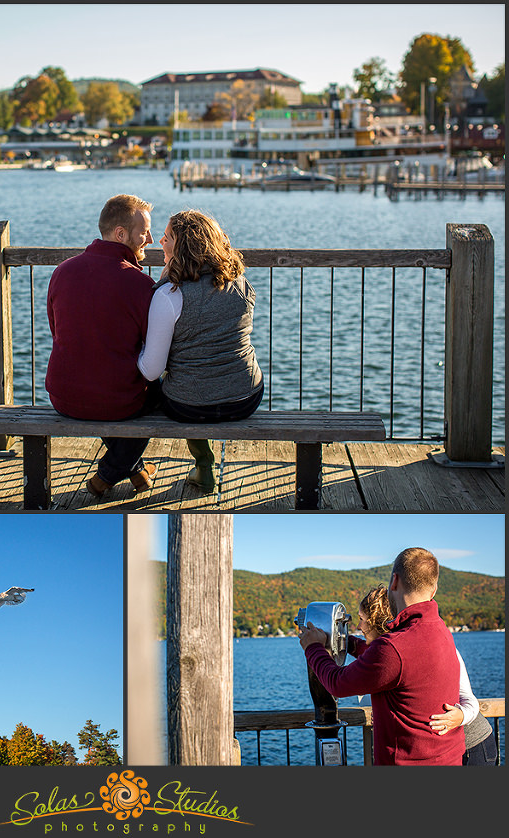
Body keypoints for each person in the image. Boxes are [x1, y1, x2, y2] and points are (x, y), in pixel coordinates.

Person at [299, 547, 463, 765]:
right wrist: (344, 641)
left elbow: (338, 684)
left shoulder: (395, 647)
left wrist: (313, 647)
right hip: (449, 759)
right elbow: (389, 665)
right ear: (433, 589)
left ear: (394, 581)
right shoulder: (439, 630)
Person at [137, 210, 264, 493]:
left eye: (167, 237)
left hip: (188, 406)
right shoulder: (240, 283)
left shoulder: (169, 295)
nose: (159, 240)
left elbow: (151, 370)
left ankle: (203, 462)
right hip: (245, 398)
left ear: (182, 246)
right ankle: (203, 466)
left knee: (167, 386)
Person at [45, 194, 159, 497]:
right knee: (161, 393)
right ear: (120, 234)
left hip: (63, 396)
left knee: (102, 384)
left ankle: (138, 472)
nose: (149, 239)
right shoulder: (140, 284)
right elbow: (153, 352)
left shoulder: (62, 271)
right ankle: (106, 476)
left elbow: (57, 331)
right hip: (115, 402)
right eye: (143, 231)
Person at [356, 584, 498, 766]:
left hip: (473, 746)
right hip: (441, 750)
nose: (359, 626)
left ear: (377, 622)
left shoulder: (435, 645)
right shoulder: (389, 655)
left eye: (362, 619)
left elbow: (469, 699)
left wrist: (461, 716)